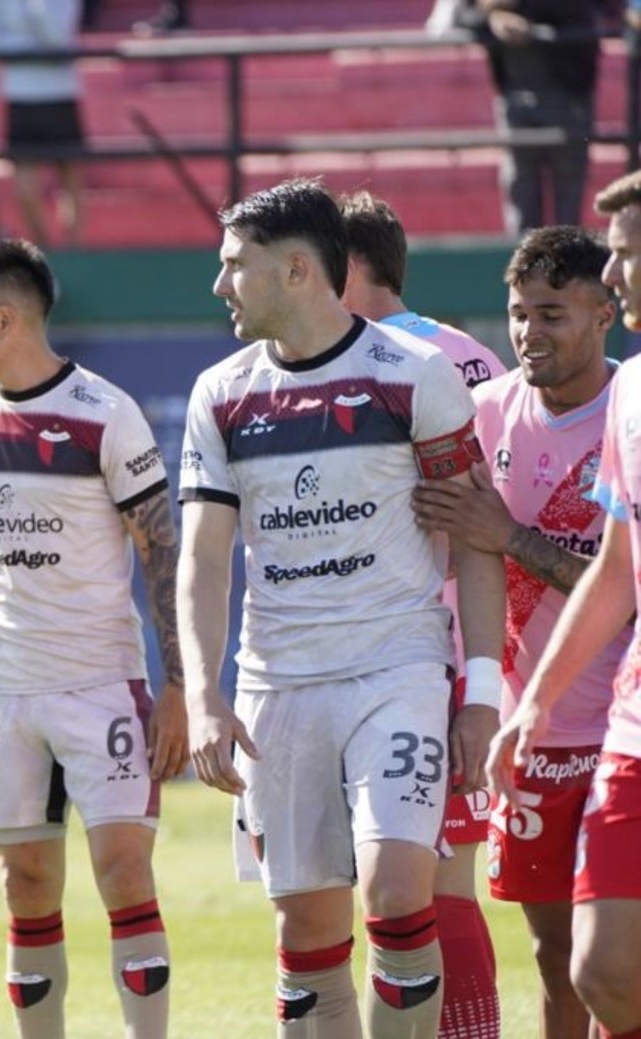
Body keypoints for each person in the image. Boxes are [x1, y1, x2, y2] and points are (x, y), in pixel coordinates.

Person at [178, 177, 506, 1039]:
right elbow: (205, 558)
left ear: (294, 269)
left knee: (397, 894)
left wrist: (479, 693)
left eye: (232, 266)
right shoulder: (219, 394)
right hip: (277, 688)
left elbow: (473, 539)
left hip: (394, 673)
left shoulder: (414, 377)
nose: (218, 286)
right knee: (306, 934)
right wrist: (202, 693)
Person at [0, 238, 185, 1038]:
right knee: (23, 880)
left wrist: (178, 686)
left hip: (103, 685)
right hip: (5, 689)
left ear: (4, 318)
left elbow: (157, 550)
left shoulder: (105, 413)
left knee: (123, 871)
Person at [415, 226, 622, 1039]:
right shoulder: (484, 414)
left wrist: (512, 539)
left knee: (616, 957)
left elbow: (627, 584)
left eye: (552, 314)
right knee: (552, 953)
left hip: (621, 728)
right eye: (518, 314)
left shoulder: (629, 412)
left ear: (604, 312)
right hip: (528, 729)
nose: (530, 333)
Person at [338, 189, 506, 1039]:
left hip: (388, 651)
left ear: (347, 267)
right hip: (453, 650)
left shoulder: (361, 362)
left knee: (348, 895)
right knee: (446, 882)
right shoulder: (471, 354)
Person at [484, 171, 641, 1039]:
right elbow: (619, 563)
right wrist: (525, 700)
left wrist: (507, 538)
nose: (617, 277)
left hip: (606, 717)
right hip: (602, 727)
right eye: (520, 311)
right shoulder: (629, 399)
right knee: (580, 962)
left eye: (625, 256)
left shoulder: (616, 394)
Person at [454, 0, 603, 235]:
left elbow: (581, 10)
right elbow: (461, 15)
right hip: (515, 95)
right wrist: (492, 17)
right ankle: (523, 266)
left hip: (568, 91)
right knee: (521, 194)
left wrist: (514, 7)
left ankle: (568, 265)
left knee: (568, 205)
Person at [0, 0, 84, 247]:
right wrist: (29, 49)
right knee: (25, 190)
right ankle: (43, 250)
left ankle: (76, 249)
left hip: (61, 94)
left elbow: (58, 38)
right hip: (19, 97)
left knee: (70, 179)